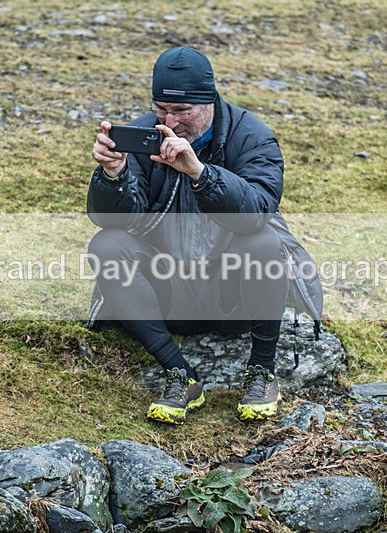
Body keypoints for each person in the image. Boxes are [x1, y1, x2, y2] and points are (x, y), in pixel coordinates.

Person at [87, 47, 322, 425]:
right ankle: (180, 373)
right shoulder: (142, 134)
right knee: (107, 245)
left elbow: (257, 213)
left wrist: (200, 172)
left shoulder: (252, 137)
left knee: (262, 242)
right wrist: (112, 175)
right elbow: (110, 221)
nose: (170, 121)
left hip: (235, 300)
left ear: (209, 100)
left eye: (183, 112)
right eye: (161, 108)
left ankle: (262, 371)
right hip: (170, 296)